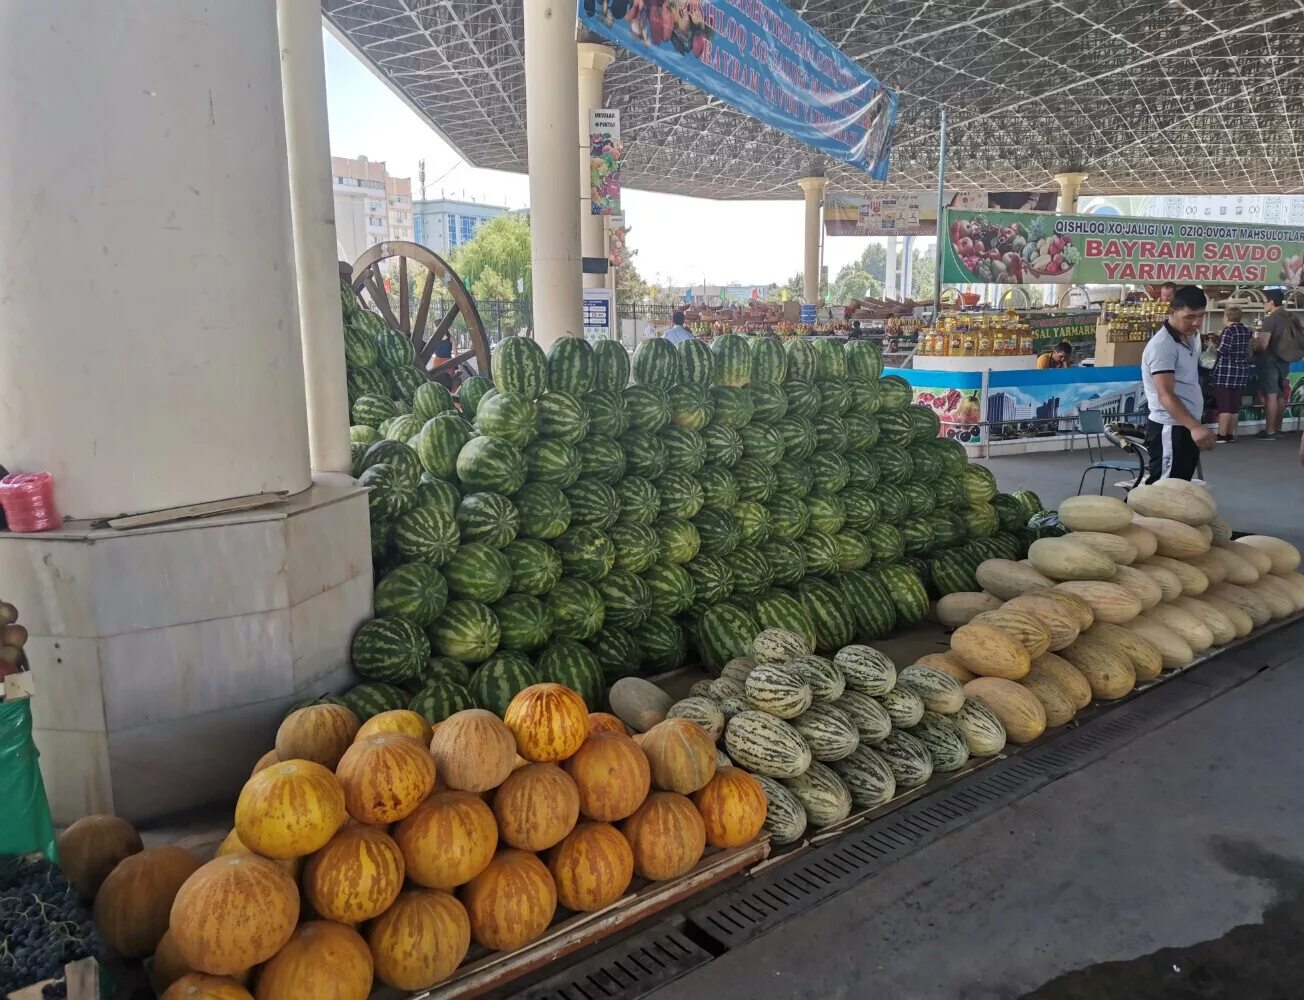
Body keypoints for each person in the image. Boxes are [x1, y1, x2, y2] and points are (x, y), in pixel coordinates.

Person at [1140, 284, 1214, 481]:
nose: (1196, 322)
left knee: (1180, 489)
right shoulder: (1162, 346)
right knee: (1164, 491)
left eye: (1201, 316)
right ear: (1172, 312)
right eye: (1189, 317)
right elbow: (1165, 394)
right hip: (1170, 427)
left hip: (1185, 425)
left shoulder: (1191, 337)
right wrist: (1195, 427)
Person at [1252, 289, 1298, 439]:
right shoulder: (1290, 316)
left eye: (1265, 301)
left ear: (1271, 302)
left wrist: (1254, 346)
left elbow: (1263, 344)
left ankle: (1270, 430)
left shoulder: (1271, 319)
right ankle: (1278, 429)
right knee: (1279, 395)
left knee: (1271, 394)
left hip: (1270, 360)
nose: (1263, 304)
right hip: (1285, 359)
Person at [1208, 306, 1254, 443]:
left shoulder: (1229, 330)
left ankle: (1222, 435)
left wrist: (1213, 344)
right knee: (1234, 406)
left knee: (1224, 406)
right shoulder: (1246, 330)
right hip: (1241, 371)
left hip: (1227, 372)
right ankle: (1230, 434)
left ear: (1227, 317)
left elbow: (1222, 350)